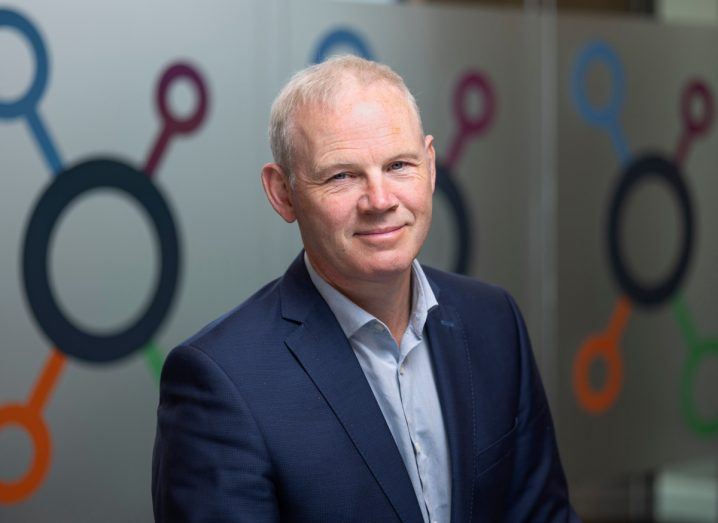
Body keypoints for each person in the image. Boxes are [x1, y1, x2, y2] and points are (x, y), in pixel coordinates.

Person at [152, 56, 580, 522]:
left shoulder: (494, 321)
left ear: (431, 167)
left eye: (399, 165)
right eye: (342, 175)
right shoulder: (221, 381)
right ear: (283, 193)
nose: (380, 200)